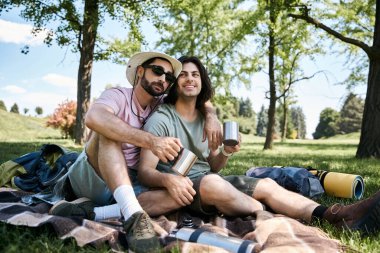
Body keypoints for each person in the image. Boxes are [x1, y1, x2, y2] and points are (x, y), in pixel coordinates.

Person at [136, 56, 380, 235]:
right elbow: (146, 172)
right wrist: (169, 180)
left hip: (212, 183)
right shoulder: (161, 119)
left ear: (202, 82)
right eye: (183, 74)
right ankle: (271, 215)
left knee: (267, 184)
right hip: (185, 188)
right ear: (174, 83)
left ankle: (333, 214)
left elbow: (214, 166)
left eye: (195, 74)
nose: (190, 78)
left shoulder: (206, 120)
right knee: (212, 183)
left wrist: (226, 153)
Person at [48, 52, 222, 253]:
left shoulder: (160, 104)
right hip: (92, 176)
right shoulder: (117, 95)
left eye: (169, 77)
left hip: (129, 182)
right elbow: (94, 118)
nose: (163, 79)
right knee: (109, 132)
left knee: (182, 191)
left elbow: (197, 96)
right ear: (140, 71)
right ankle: (133, 217)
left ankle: (96, 213)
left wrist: (211, 116)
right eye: (157, 71)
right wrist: (152, 141)